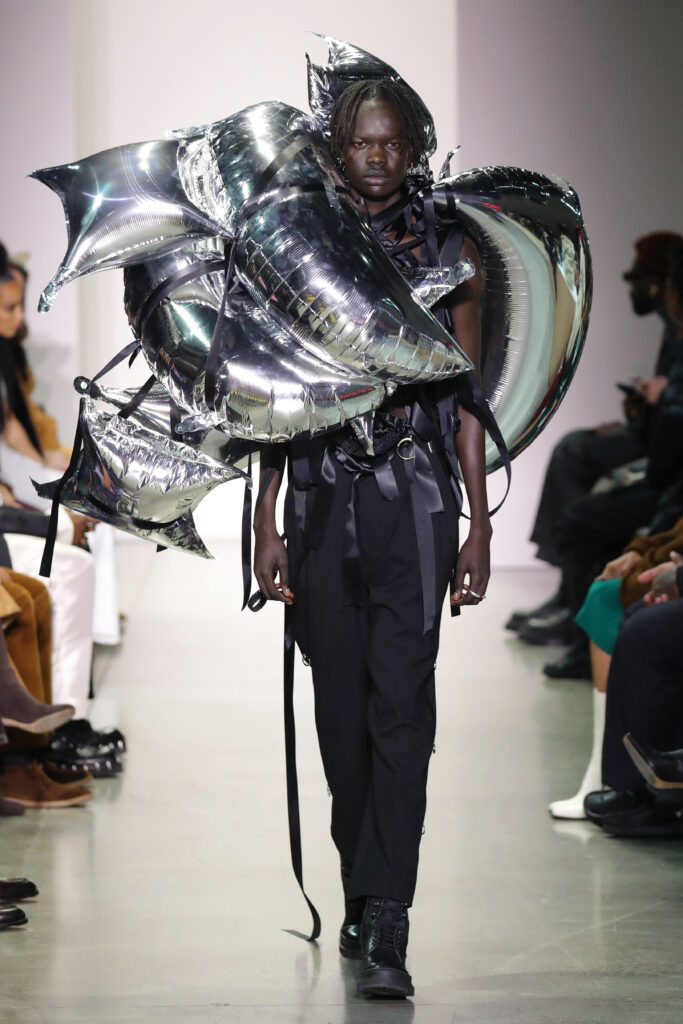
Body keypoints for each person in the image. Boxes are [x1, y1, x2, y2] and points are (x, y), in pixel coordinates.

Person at [253, 80, 493, 1000]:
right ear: (336, 149)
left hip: (418, 504)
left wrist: (477, 525)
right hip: (319, 501)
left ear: (414, 149)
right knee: (340, 721)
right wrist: (264, 518)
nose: (380, 158)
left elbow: (465, 401)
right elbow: (270, 393)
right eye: (363, 143)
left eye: (394, 143)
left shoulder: (451, 250)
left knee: (402, 713)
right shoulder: (300, 246)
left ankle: (389, 917)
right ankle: (360, 886)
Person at [507, 232, 683, 662]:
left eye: (635, 277)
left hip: (667, 469)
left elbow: (673, 424)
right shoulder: (673, 327)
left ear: (664, 284)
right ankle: (568, 596)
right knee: (574, 451)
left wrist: (662, 403)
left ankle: (574, 612)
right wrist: (648, 407)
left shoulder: (677, 327)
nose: (631, 286)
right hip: (661, 453)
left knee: (578, 482)